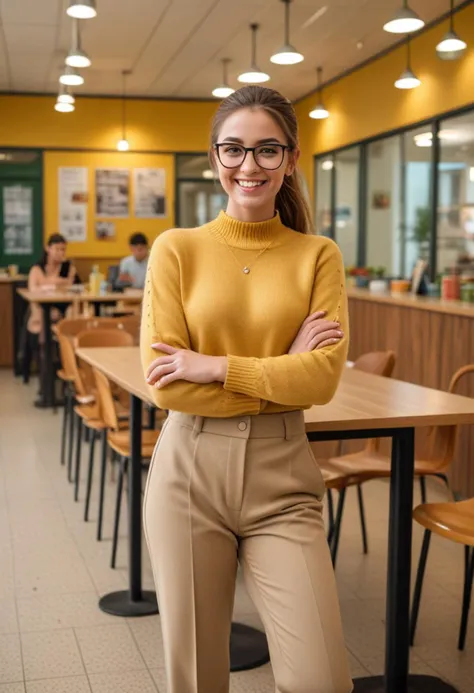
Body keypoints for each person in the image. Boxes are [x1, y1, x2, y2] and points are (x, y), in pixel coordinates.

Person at [140, 86, 353, 693]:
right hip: (189, 475)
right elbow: (168, 389)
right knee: (199, 677)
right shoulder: (176, 249)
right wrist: (281, 366)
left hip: (284, 480)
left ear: (290, 159)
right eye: (233, 149)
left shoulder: (318, 255)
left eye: (266, 149)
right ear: (214, 158)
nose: (249, 165)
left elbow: (324, 378)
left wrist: (215, 367)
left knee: (322, 680)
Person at [27, 233, 79, 335]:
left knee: (74, 313)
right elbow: (33, 290)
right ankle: (44, 348)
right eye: (57, 249)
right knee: (42, 314)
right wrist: (57, 283)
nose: (60, 253)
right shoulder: (37, 269)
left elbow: (73, 287)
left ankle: (67, 346)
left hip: (64, 305)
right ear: (48, 249)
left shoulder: (68, 268)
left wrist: (47, 284)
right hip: (42, 306)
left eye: (63, 249)